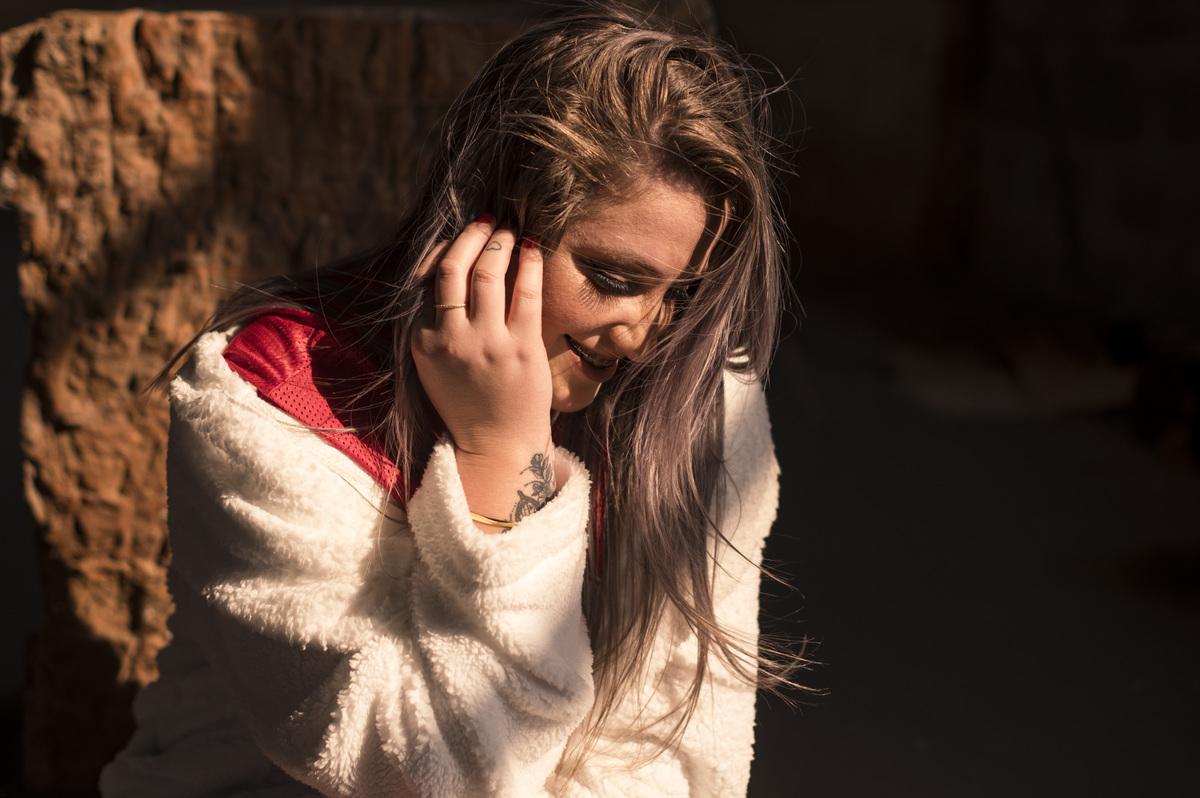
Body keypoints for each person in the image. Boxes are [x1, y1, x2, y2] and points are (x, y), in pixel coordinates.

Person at [100, 4, 802, 796]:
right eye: (612, 278)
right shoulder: (272, 397)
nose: (643, 336)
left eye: (680, 294)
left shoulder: (703, 399)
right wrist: (504, 455)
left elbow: (682, 752)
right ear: (490, 226)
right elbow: (421, 769)